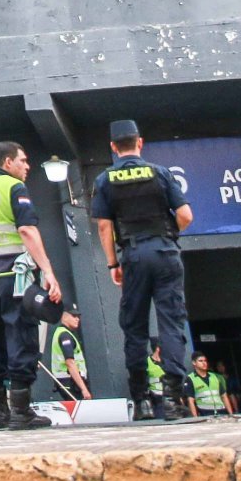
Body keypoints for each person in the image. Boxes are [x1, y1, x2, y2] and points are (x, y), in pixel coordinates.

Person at [91, 119, 193, 421]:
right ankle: (173, 399)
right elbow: (186, 215)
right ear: (140, 142)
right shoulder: (159, 173)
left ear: (112, 147)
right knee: (172, 323)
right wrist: (168, 235)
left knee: (134, 327)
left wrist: (113, 263)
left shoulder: (105, 180)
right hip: (165, 252)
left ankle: (142, 402)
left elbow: (104, 226)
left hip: (133, 256)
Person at [0, 141, 61, 429]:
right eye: (23, 161)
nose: (27, 166)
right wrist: (48, 272)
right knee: (21, 335)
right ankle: (21, 412)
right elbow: (27, 229)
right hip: (13, 277)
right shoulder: (14, 188)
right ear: (7, 163)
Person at [47, 309, 92, 401]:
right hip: (70, 382)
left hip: (68, 381)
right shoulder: (65, 335)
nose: (77, 319)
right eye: (74, 316)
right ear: (64, 317)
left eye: (78, 317)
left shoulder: (61, 332)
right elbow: (70, 362)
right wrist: (84, 389)